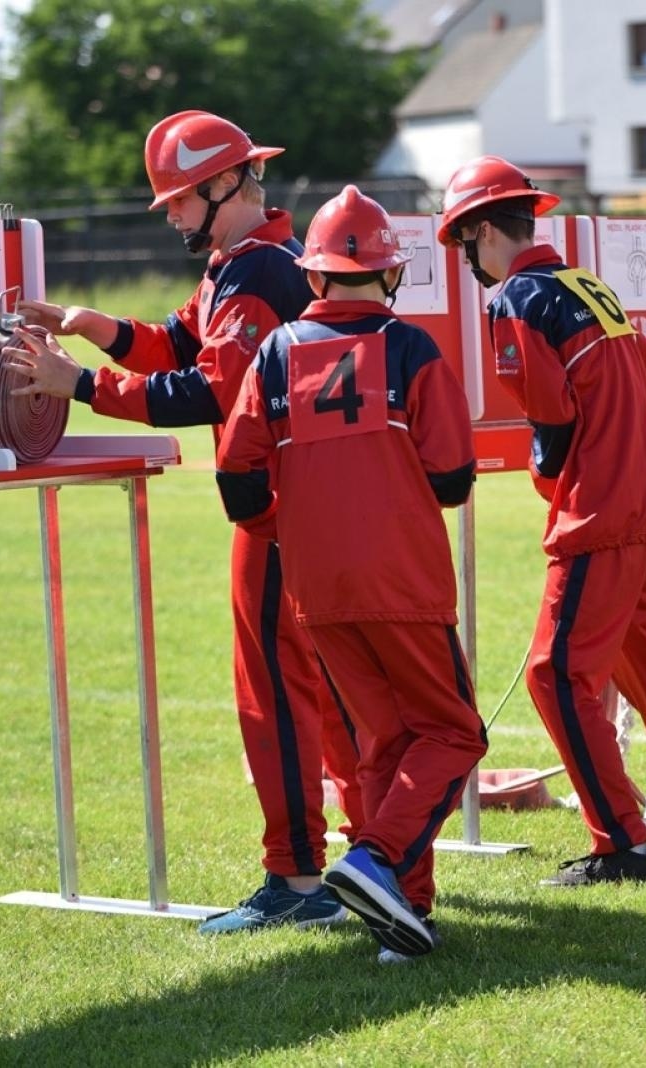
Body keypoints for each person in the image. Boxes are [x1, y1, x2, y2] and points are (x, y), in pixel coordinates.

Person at [5, 110, 365, 932]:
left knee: (276, 693)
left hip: (279, 509)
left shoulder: (257, 269)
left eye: (177, 198)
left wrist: (80, 385)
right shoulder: (253, 260)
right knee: (330, 687)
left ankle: (297, 881)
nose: (169, 214)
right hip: (313, 503)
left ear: (225, 182)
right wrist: (90, 326)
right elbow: (175, 342)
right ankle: (373, 854)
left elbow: (205, 389)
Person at [437, 155, 646, 888]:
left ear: (483, 230)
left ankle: (623, 846)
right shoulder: (587, 285)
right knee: (644, 662)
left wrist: (556, 472)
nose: (465, 258)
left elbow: (552, 416)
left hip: (599, 509)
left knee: (554, 675)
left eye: (463, 241)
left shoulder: (515, 298)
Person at [215, 185, 485, 963]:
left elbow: (237, 482)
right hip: (403, 580)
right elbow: (452, 479)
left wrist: (301, 526)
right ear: (390, 274)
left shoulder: (276, 353)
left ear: (314, 274)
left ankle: (405, 913)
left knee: (388, 741)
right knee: (454, 732)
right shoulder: (411, 348)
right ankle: (375, 859)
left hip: (317, 588)